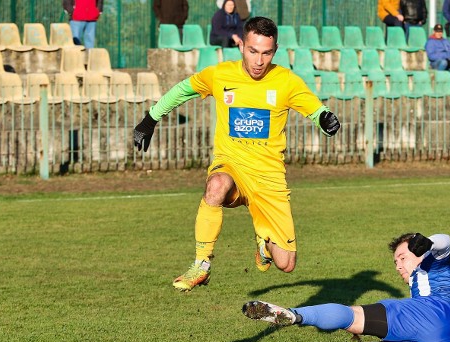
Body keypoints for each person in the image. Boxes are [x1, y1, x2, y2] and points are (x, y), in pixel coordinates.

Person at [133, 17, 341, 291]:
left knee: (286, 263)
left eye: (266, 53)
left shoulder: (286, 81)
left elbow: (316, 110)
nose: (258, 60)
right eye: (253, 51)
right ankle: (201, 264)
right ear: (242, 46)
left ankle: (264, 245)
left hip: (268, 179)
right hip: (231, 166)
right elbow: (184, 90)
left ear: (275, 50)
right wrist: (150, 119)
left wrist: (326, 121)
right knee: (216, 185)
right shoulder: (220, 75)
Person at [243, 232, 450, 342]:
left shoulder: (433, 262)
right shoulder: (422, 283)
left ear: (418, 248)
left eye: (402, 257)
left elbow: (444, 242)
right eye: (395, 262)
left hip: (434, 312)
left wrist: (427, 242)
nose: (398, 266)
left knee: (353, 317)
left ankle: (295, 315)